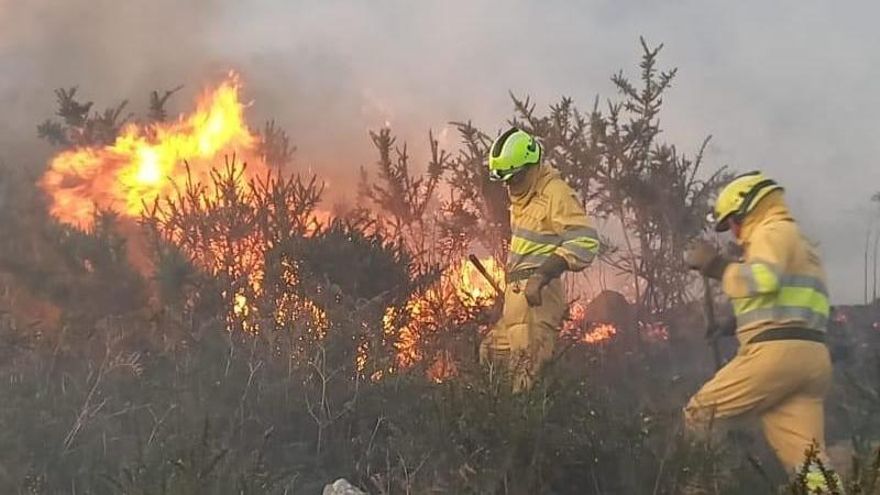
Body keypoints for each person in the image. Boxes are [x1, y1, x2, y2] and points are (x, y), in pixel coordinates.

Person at [684, 171, 839, 492]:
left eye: (734, 223)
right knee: (810, 466)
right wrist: (733, 325)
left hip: (775, 357)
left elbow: (764, 280)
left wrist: (716, 266)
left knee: (701, 413)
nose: (735, 234)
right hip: (811, 361)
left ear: (749, 208)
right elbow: (790, 303)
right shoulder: (802, 243)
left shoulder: (771, 230)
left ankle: (711, 487)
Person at [479, 127, 600, 392]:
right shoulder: (525, 197)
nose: (510, 185)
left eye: (515, 178)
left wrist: (541, 276)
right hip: (519, 299)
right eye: (505, 180)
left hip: (538, 300)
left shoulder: (555, 194)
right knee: (489, 355)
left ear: (531, 166)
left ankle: (527, 430)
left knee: (523, 384)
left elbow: (585, 241)